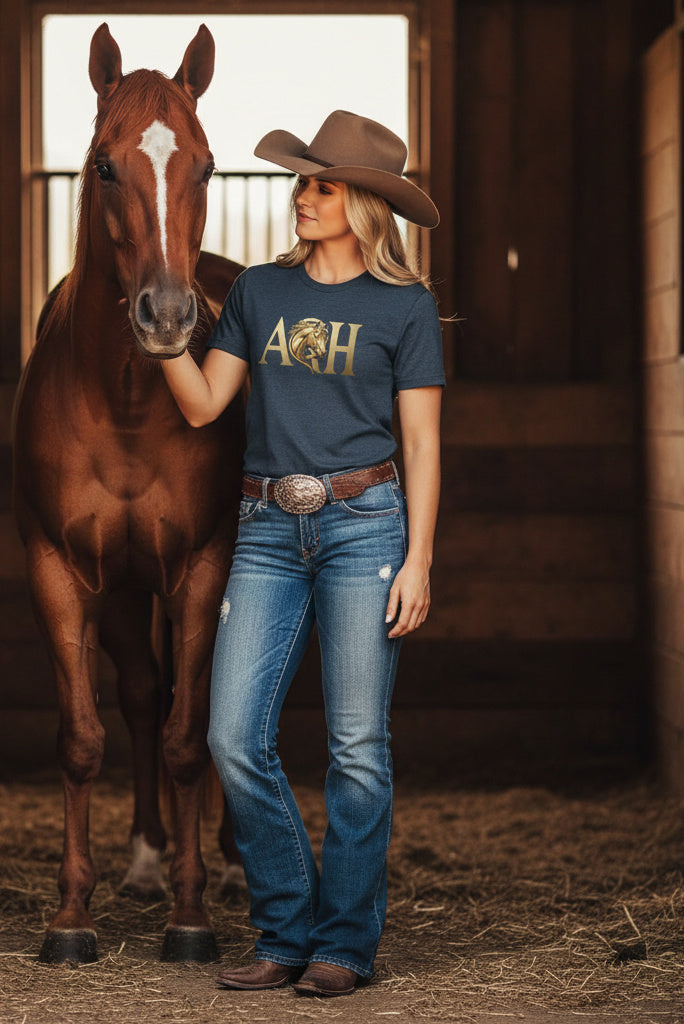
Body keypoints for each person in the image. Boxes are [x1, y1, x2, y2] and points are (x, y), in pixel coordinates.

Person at [160, 110, 444, 998]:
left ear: (363, 203)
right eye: (303, 181)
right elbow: (207, 404)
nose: (303, 195)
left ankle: (343, 947)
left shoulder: (405, 306)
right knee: (232, 735)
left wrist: (420, 559)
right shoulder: (257, 293)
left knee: (358, 745)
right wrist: (167, 342)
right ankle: (285, 931)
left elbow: (424, 445)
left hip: (368, 525)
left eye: (322, 185)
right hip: (268, 531)